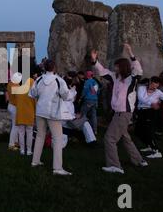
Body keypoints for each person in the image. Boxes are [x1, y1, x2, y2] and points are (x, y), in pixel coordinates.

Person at [91, 44, 148, 174]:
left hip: (124, 113)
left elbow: (139, 70)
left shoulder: (131, 79)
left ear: (122, 67)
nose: (115, 67)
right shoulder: (115, 77)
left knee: (109, 138)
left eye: (117, 66)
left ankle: (115, 166)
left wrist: (131, 53)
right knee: (125, 138)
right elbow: (102, 71)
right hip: (118, 113)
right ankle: (139, 160)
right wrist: (95, 60)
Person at [28, 59, 74, 176]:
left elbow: (32, 94)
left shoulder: (38, 80)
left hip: (40, 111)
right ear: (54, 68)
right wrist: (73, 92)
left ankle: (35, 161)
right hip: (53, 113)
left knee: (39, 136)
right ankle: (57, 168)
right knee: (58, 139)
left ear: (44, 67)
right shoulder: (59, 80)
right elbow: (66, 96)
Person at [62, 78, 97, 146]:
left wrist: (75, 115)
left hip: (69, 121)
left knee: (85, 122)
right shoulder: (65, 101)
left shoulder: (69, 101)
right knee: (84, 121)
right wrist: (74, 116)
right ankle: (91, 141)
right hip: (65, 122)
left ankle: (92, 141)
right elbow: (64, 115)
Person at [14, 75, 36, 156]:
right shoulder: (32, 92)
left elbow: (16, 102)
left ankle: (22, 150)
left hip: (20, 114)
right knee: (29, 132)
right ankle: (29, 150)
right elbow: (35, 103)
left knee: (21, 132)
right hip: (29, 113)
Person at [81, 70, 100, 135]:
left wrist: (81, 97)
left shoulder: (87, 82)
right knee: (94, 116)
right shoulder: (96, 82)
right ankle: (95, 131)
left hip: (88, 100)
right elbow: (98, 92)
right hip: (95, 101)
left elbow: (84, 91)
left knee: (83, 114)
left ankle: (83, 130)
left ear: (87, 75)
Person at [6, 73, 21, 151]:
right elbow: (19, 98)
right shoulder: (16, 86)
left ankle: (16, 142)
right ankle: (11, 144)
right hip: (15, 107)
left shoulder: (10, 84)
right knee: (15, 126)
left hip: (10, 105)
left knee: (15, 125)